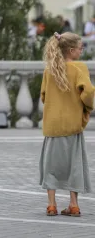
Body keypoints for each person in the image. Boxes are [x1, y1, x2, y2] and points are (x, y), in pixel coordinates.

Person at [39, 31, 94, 217]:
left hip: (53, 126)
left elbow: (43, 96)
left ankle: (52, 205)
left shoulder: (49, 70)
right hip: (72, 125)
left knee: (51, 167)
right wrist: (86, 108)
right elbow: (88, 94)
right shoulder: (79, 68)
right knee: (74, 166)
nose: (82, 50)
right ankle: (74, 205)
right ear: (71, 50)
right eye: (80, 48)